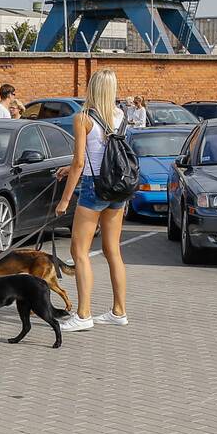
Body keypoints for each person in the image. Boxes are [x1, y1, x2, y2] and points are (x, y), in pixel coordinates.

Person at [53, 68, 128, 331]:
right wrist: (70, 166)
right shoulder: (121, 116)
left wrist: (64, 201)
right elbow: (104, 153)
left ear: (92, 87)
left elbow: (80, 162)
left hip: (93, 189)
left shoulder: (83, 117)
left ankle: (83, 315)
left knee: (79, 252)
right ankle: (119, 311)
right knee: (113, 251)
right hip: (117, 189)